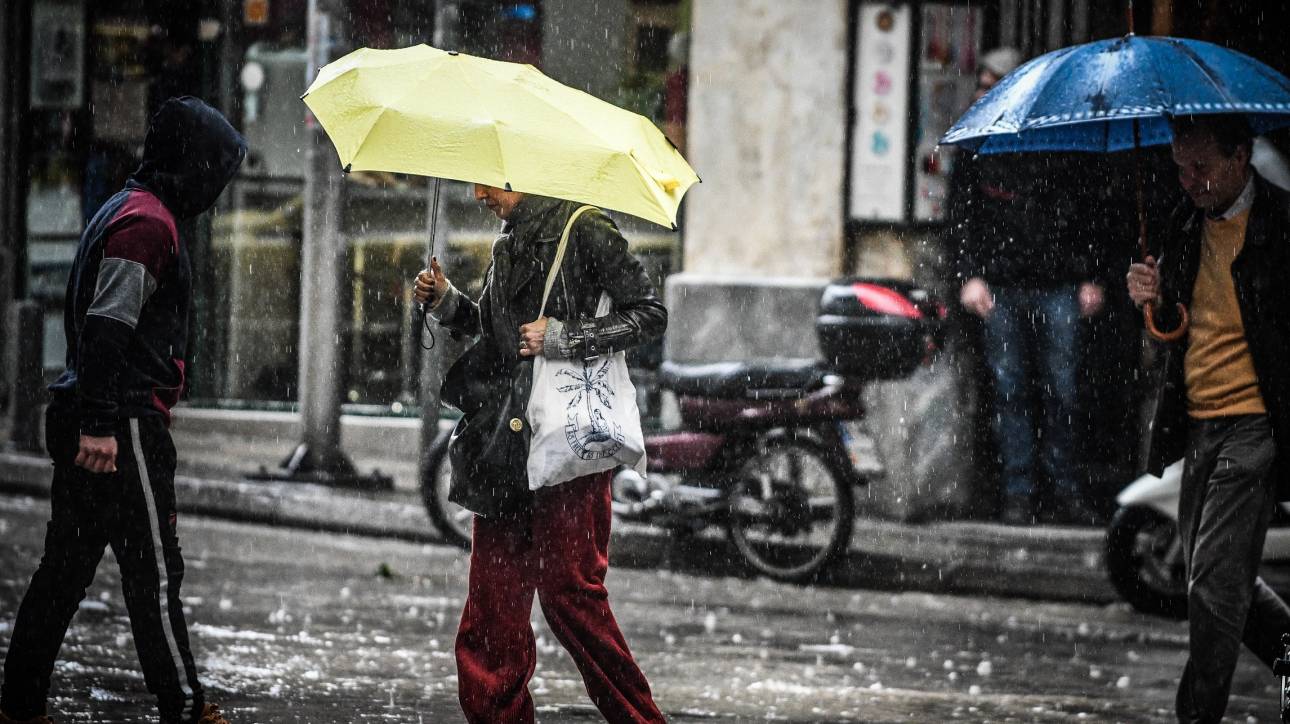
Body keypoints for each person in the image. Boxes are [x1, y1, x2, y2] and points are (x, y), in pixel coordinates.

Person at [0, 97, 245, 724]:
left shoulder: (129, 208)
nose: (214, 190)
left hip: (103, 415)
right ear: (192, 166)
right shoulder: (147, 225)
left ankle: (19, 701)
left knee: (65, 571)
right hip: (124, 424)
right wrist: (103, 425)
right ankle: (184, 707)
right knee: (155, 577)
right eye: (214, 172)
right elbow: (109, 330)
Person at [413, 185, 668, 723]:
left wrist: (566, 338)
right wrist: (448, 302)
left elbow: (649, 314)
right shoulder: (511, 236)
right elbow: (499, 333)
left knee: (569, 597)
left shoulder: (586, 227)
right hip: (503, 444)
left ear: (524, 175)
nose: (479, 193)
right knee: (491, 609)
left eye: (490, 181)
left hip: (564, 444)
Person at [1127, 115, 1290, 724]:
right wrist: (1152, 298)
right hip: (1200, 421)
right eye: (1179, 166)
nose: (1189, 180)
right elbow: (1176, 328)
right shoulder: (1181, 223)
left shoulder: (1280, 222)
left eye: (1202, 167)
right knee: (1217, 577)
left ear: (1241, 155)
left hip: (1255, 422)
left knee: (1212, 592)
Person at [947, 46, 1105, 526]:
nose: (985, 92)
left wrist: (1090, 275)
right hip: (1001, 286)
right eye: (983, 83)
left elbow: (1087, 209)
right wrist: (969, 274)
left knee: (1062, 391)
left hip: (1057, 285)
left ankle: (1065, 489)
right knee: (1010, 391)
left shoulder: (1057, 138)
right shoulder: (976, 143)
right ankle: (1019, 491)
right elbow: (960, 217)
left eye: (994, 82)